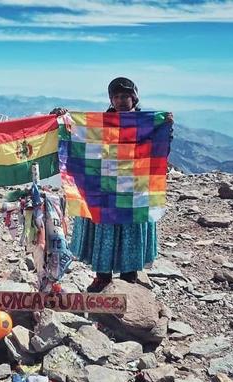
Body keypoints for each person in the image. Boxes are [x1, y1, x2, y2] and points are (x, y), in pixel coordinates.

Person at [55, 77, 173, 293]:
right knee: (105, 230)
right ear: (111, 99)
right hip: (105, 188)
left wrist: (165, 128)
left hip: (134, 189)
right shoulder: (100, 124)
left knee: (130, 230)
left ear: (134, 98)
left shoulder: (145, 124)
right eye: (116, 96)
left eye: (125, 96)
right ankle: (102, 277)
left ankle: (129, 279)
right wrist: (64, 118)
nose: (120, 101)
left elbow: (158, 151)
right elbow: (77, 137)